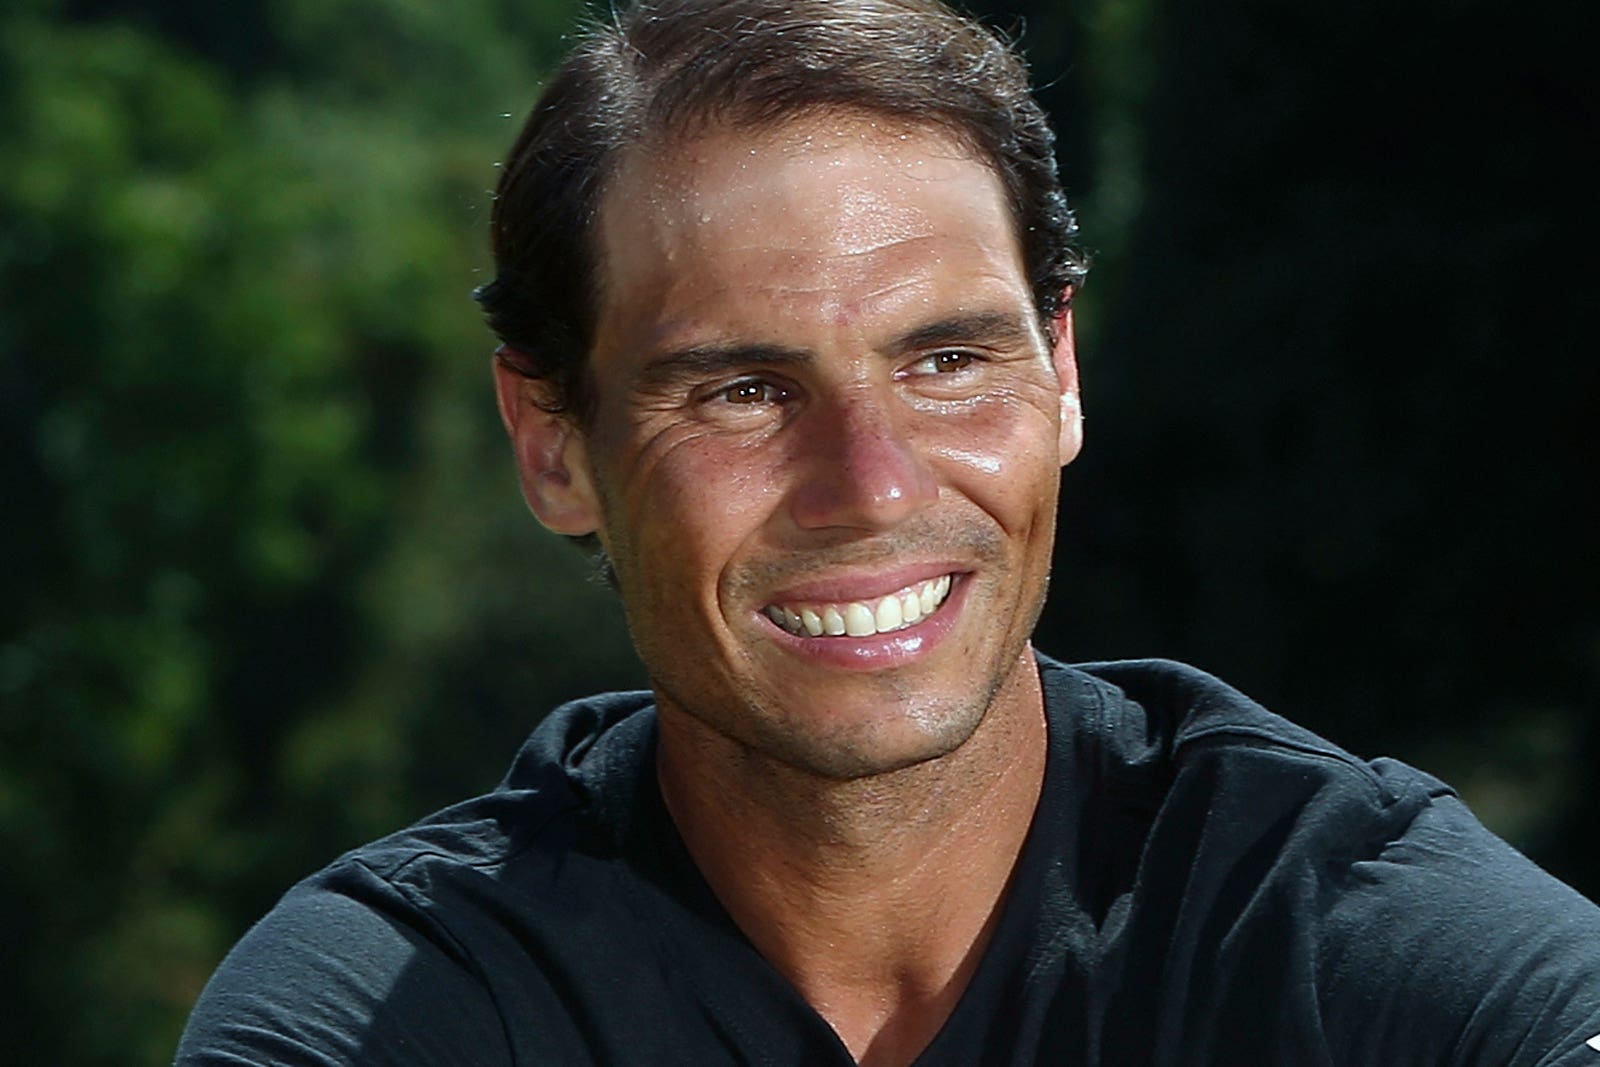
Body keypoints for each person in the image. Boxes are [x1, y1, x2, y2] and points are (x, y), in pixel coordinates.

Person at [176, 1, 1600, 1064]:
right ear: (554, 446)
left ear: (1065, 376)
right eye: (741, 390)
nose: (868, 483)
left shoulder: (1342, 930)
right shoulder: (391, 1008)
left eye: (948, 364)